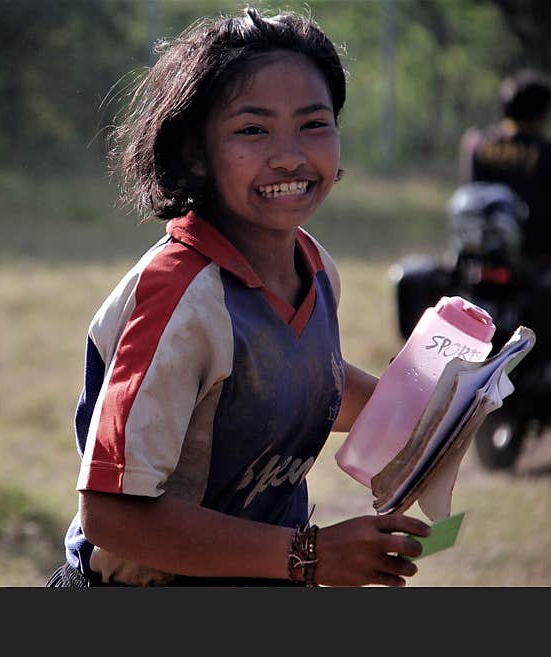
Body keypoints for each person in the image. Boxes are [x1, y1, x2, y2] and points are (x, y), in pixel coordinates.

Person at [48, 8, 430, 588]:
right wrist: (310, 556)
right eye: (253, 130)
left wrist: (429, 414)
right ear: (197, 152)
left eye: (314, 124)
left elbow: (301, 378)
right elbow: (112, 514)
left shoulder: (314, 265)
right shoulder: (178, 296)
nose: (289, 155)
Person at [460, 69, 551, 267]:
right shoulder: (547, 152)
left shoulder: (476, 144)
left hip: (479, 252)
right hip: (536, 258)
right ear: (543, 113)